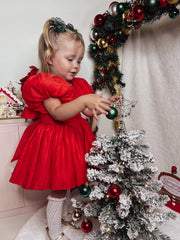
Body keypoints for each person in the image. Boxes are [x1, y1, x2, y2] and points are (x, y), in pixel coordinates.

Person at [9, 17, 117, 240]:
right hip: (56, 141)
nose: (76, 65)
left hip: (74, 138)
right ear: (49, 58)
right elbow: (58, 112)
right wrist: (83, 101)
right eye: (70, 59)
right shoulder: (45, 84)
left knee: (72, 184)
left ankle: (65, 216)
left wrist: (99, 105)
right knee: (59, 188)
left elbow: (85, 111)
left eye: (78, 60)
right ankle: (54, 232)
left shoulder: (77, 85)